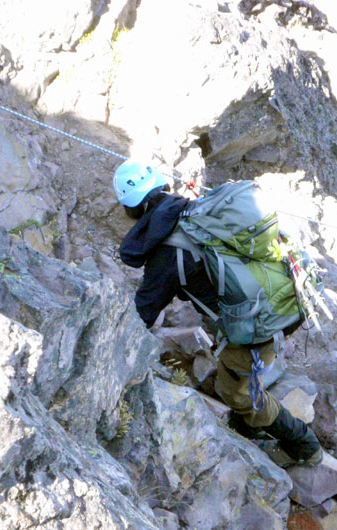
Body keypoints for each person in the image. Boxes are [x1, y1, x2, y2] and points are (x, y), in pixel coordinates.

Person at [114, 159, 322, 466]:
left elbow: (141, 314)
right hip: (267, 302)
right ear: (162, 187)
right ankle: (250, 426)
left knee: (240, 396)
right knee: (232, 382)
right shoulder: (191, 212)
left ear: (131, 209)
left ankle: (306, 447)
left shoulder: (167, 252)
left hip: (258, 326)